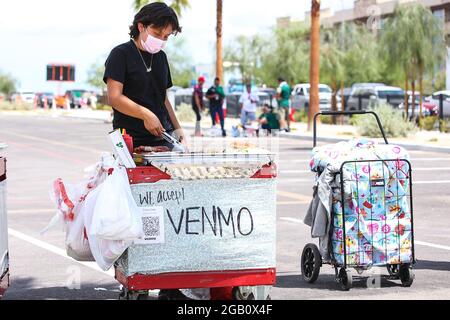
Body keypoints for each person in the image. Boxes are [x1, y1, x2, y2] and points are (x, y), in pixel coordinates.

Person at [103, 2, 186, 152]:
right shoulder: (120, 54)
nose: (161, 40)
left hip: (163, 138)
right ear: (141, 27)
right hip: (131, 140)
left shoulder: (161, 57)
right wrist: (146, 115)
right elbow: (114, 97)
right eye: (157, 34)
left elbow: (164, 99)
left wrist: (179, 132)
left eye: (166, 36)